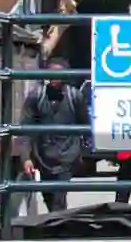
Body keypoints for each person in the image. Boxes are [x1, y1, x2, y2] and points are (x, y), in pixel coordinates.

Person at [18, 57, 86, 214]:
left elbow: (84, 125)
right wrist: (26, 157)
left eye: (59, 72)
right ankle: (57, 222)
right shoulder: (37, 96)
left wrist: (81, 152)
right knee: (48, 194)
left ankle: (59, 225)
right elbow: (26, 128)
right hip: (43, 154)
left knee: (59, 196)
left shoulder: (75, 96)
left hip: (67, 154)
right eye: (51, 72)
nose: (55, 76)